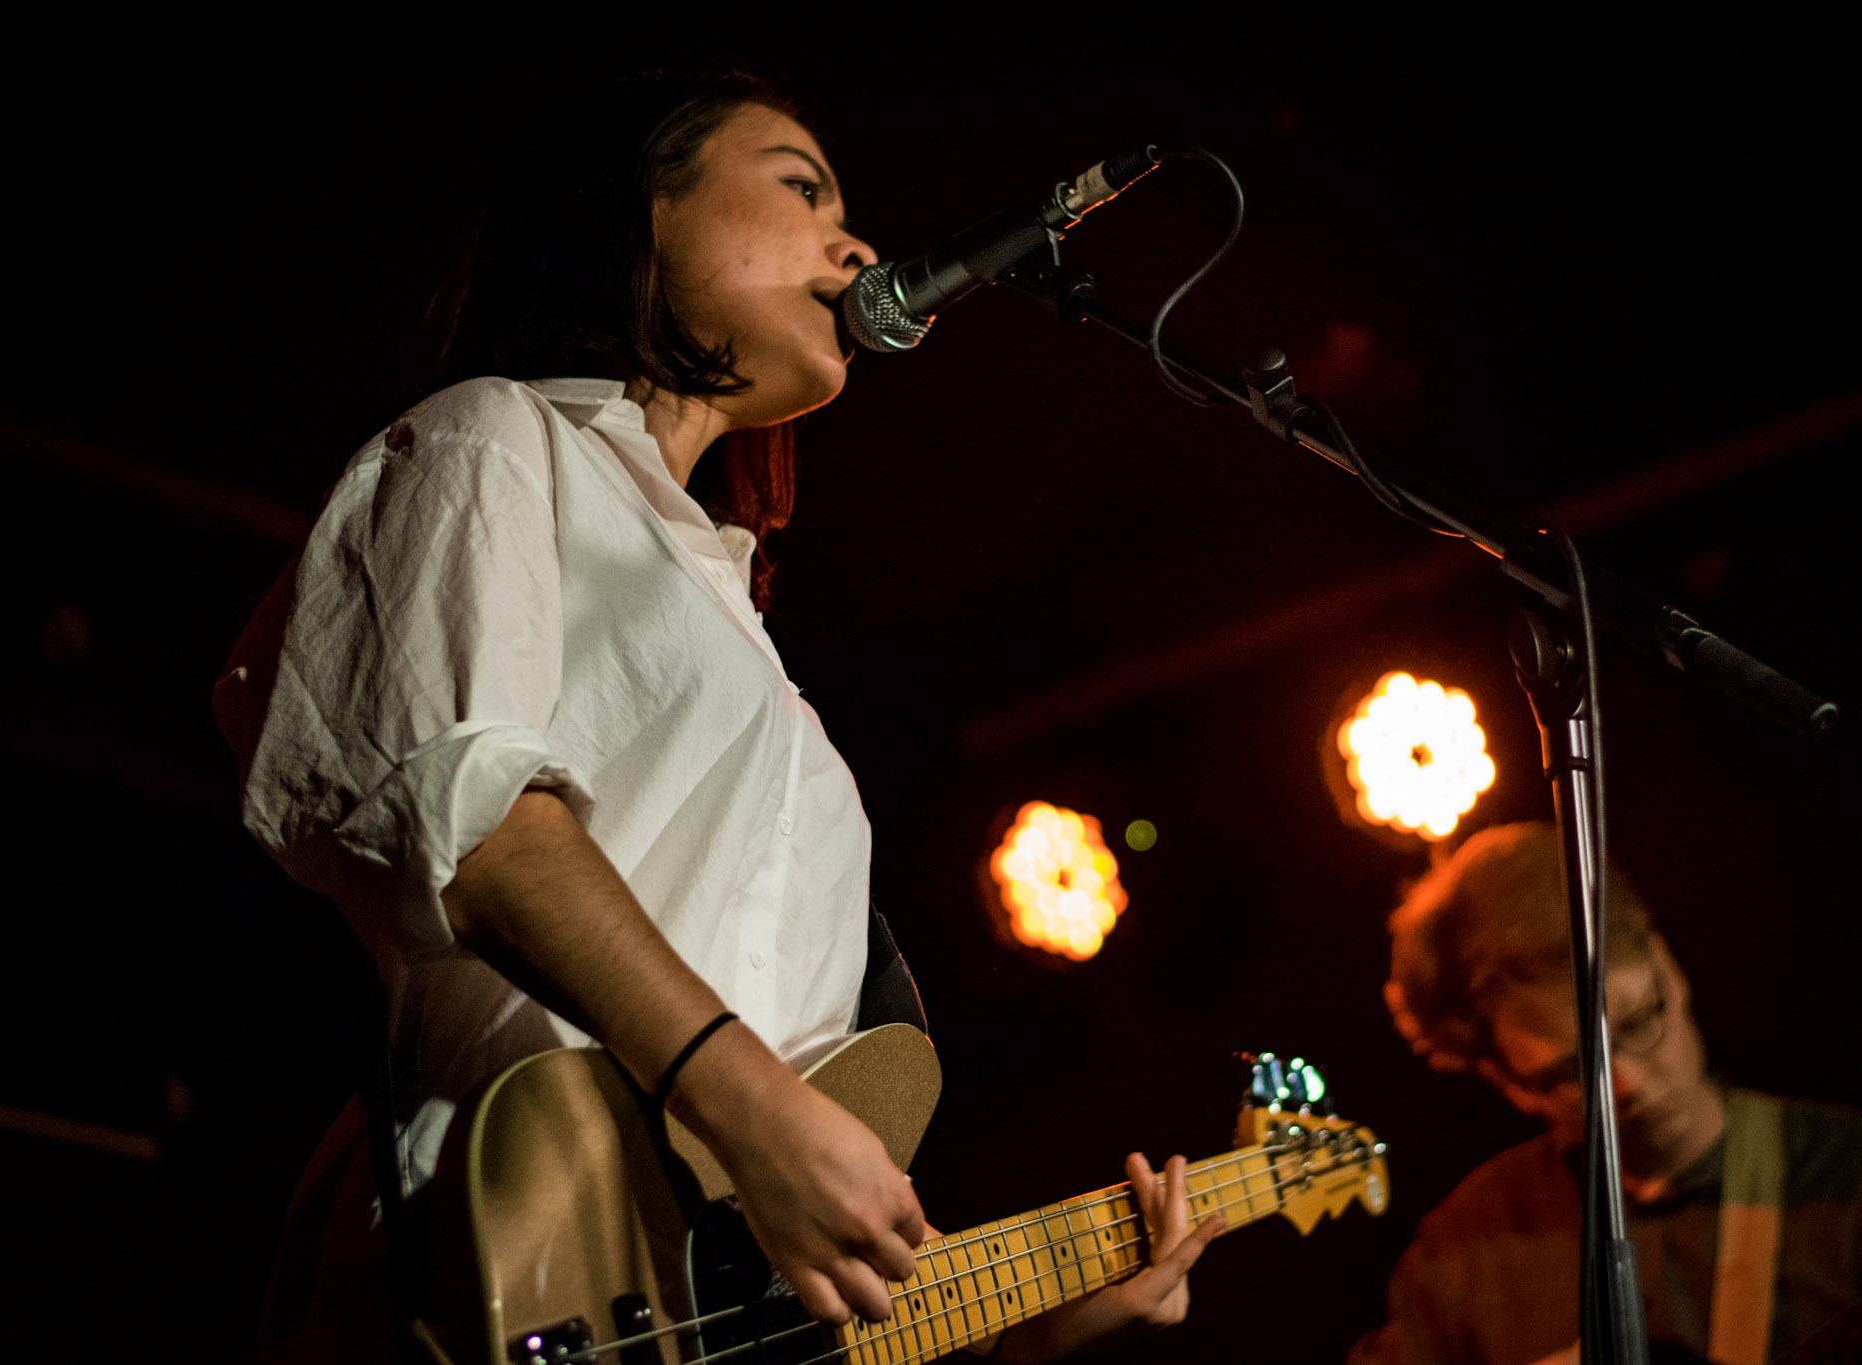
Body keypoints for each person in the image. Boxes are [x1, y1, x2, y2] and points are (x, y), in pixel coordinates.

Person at [216, 65, 1219, 1364]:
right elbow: (475, 822)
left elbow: (754, 1293)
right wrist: (753, 1111)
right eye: (802, 188)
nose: (857, 242)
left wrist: (1030, 1325)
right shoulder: (492, 441)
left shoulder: (737, 620)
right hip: (508, 1263)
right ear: (636, 211)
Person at [1346, 822, 1862, 1365]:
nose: (1628, 1083)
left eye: (1638, 1020)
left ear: (1668, 964)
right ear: (1508, 1082)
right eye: (1574, 1070)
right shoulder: (1459, 1262)